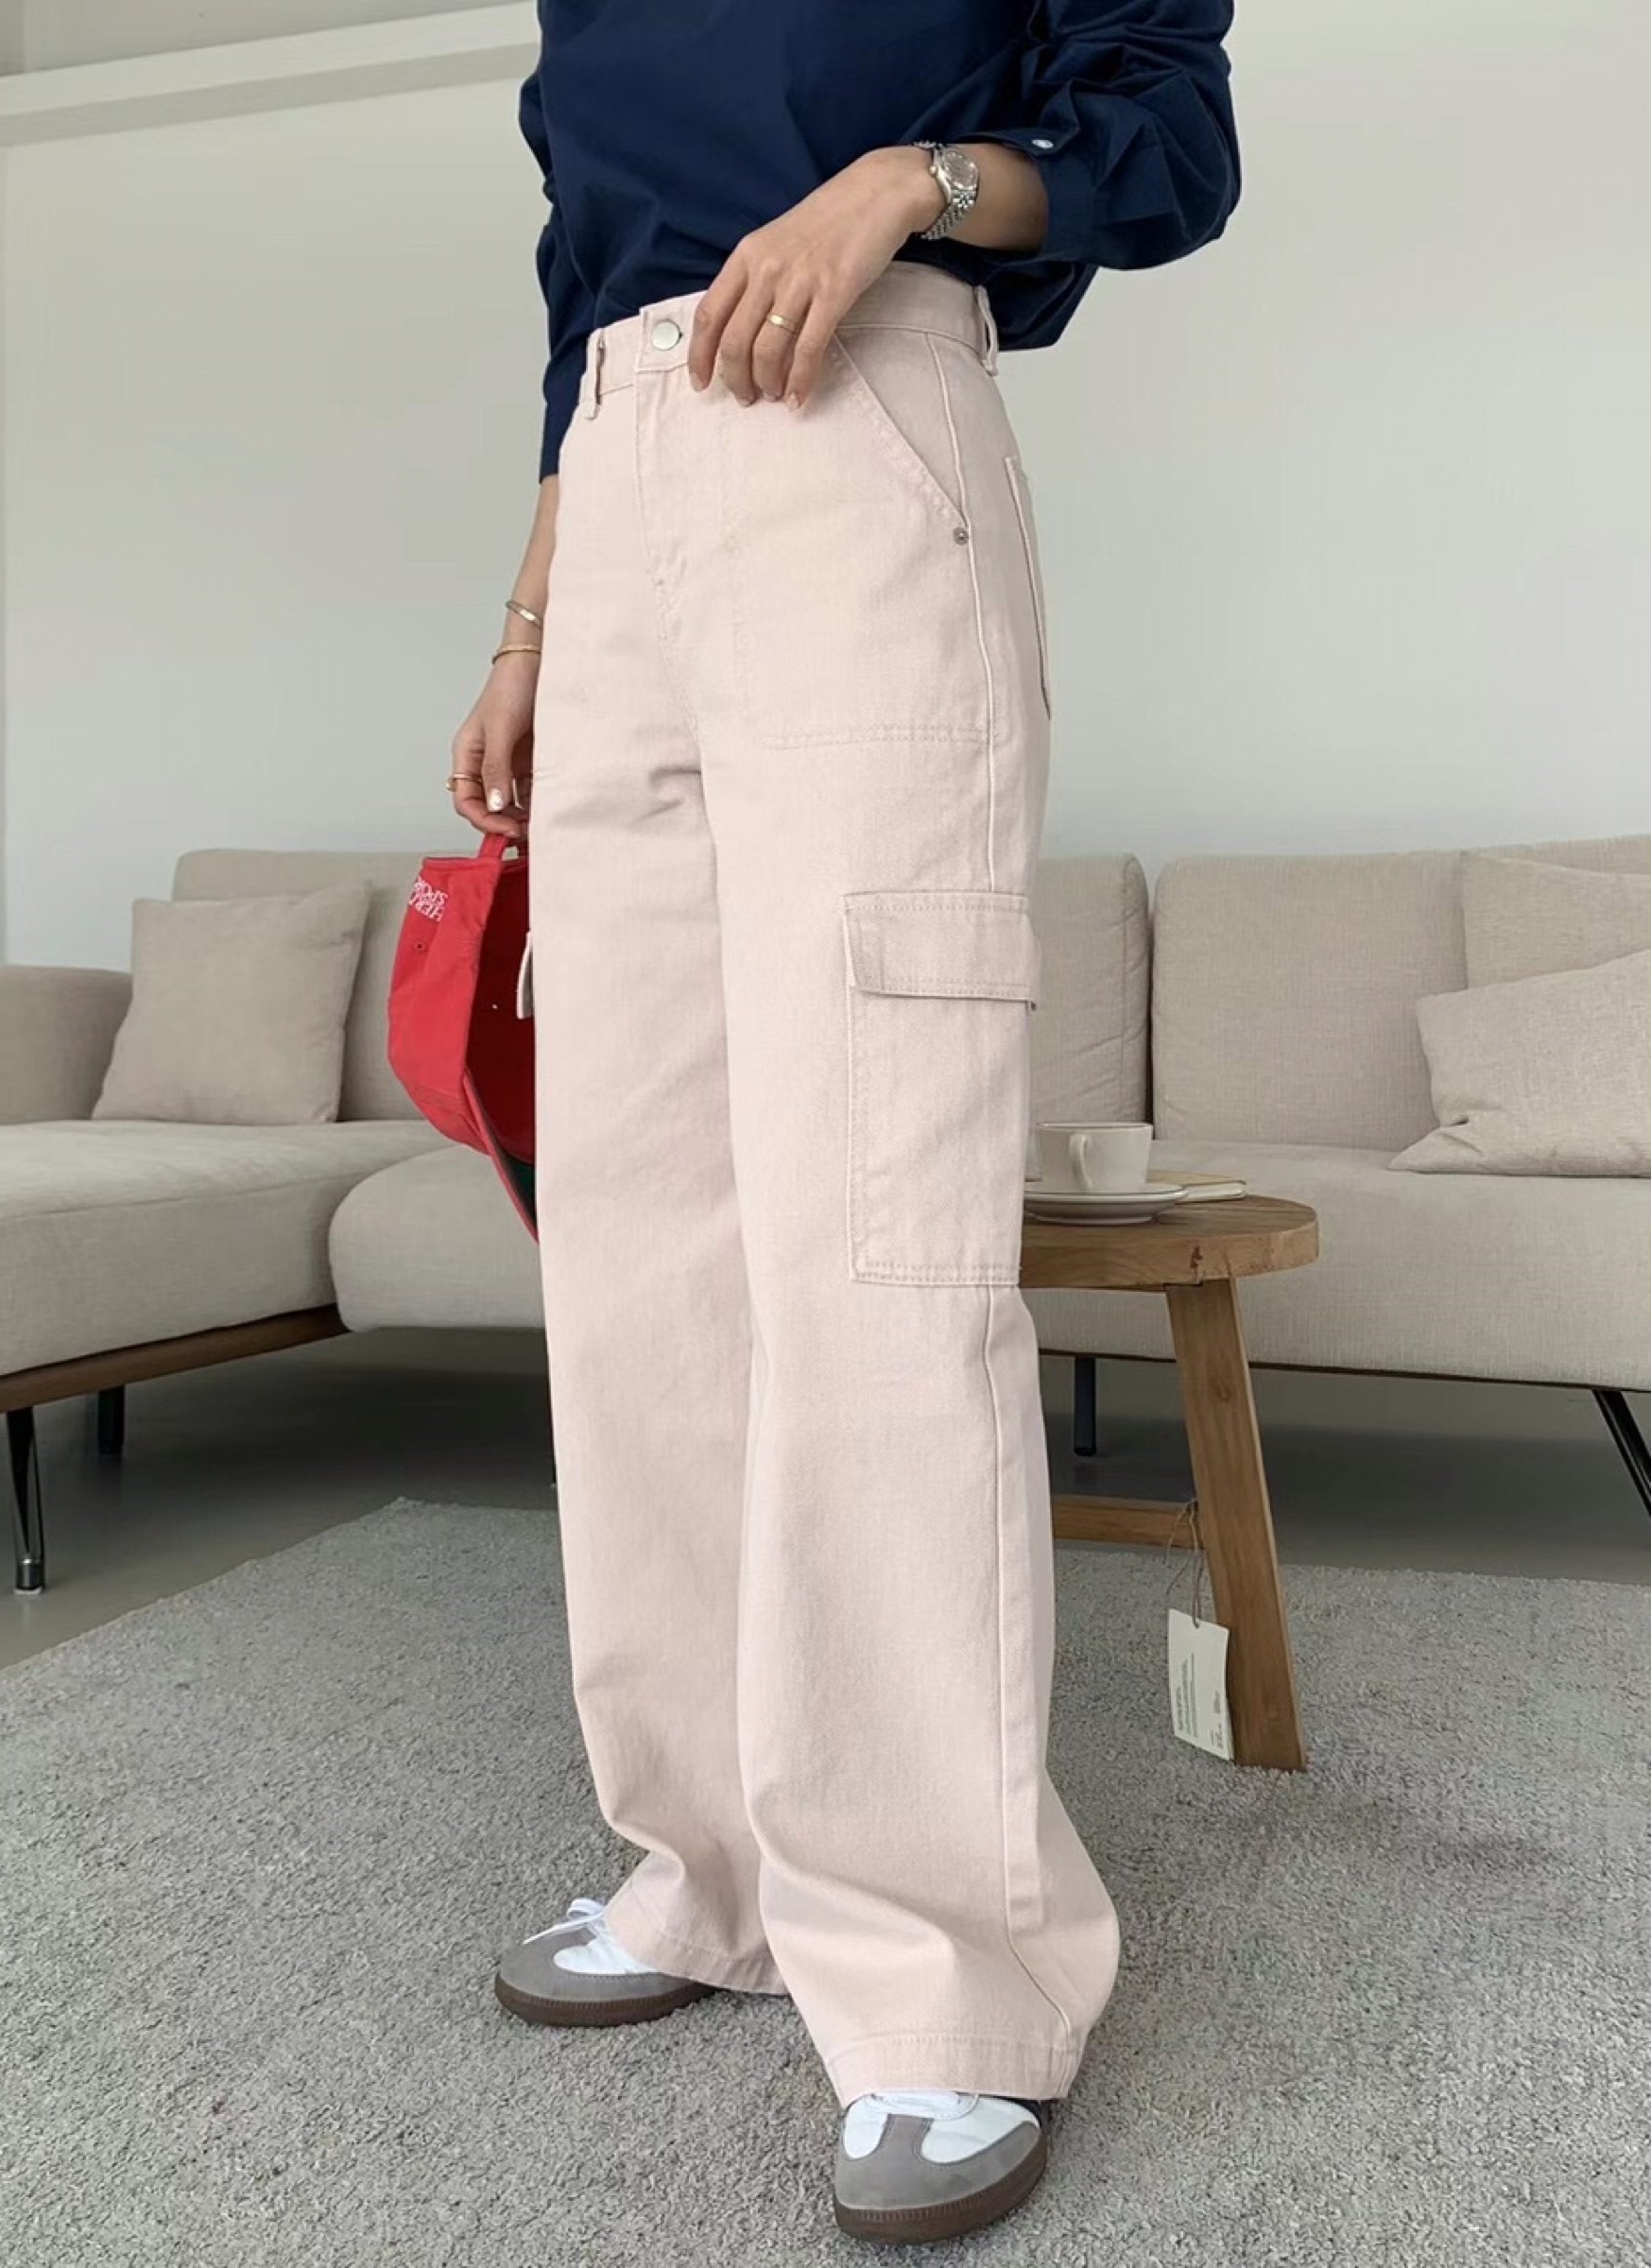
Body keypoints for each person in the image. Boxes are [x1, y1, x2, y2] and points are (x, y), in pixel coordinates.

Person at [448, 1, 1238, 2242]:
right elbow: (584, 269)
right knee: (642, 1254)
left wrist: (908, 185)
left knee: (872, 1240)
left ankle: (948, 1980)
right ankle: (709, 1870)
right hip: (622, 484)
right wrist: (533, 614)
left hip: (860, 419)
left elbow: (1170, 138)